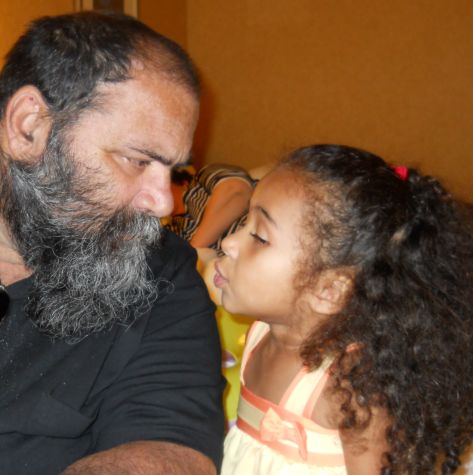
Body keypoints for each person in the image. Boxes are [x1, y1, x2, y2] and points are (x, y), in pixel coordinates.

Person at [0, 11, 224, 475]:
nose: (164, 204)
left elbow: (172, 446)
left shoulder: (161, 276)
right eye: (137, 160)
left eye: (174, 171)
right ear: (28, 126)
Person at [213, 144, 473, 474]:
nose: (228, 243)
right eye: (243, 222)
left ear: (329, 290)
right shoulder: (260, 333)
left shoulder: (351, 386)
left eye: (260, 237)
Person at [167, 163, 255, 252]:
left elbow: (237, 191)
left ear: (183, 182)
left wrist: (193, 249)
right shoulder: (172, 230)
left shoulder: (202, 176)